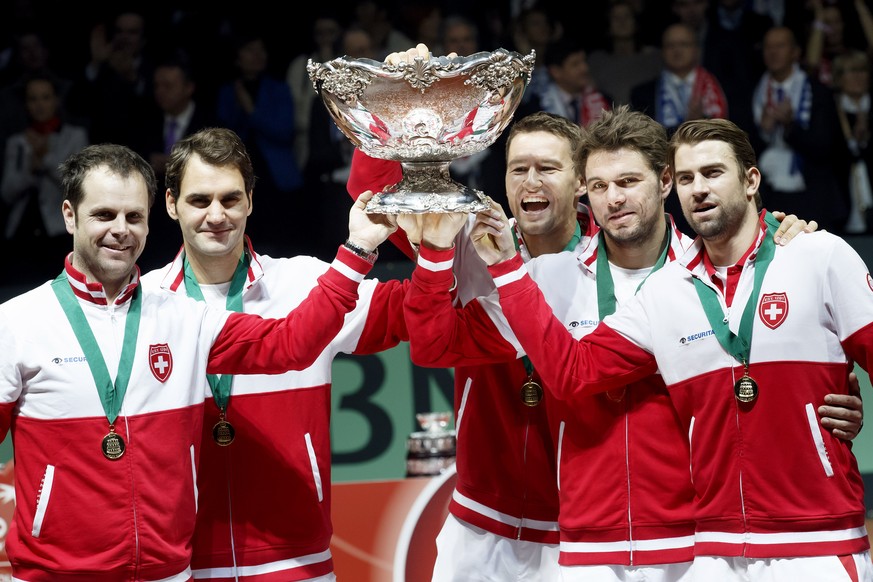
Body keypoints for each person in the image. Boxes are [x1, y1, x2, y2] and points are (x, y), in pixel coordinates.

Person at [404, 105, 865, 581]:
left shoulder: (699, 278)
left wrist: (825, 399)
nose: (613, 199)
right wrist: (443, 252)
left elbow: (770, 365)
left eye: (628, 182)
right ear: (585, 190)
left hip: (695, 545)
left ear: (664, 182)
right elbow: (440, 347)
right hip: (588, 547)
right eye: (600, 186)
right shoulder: (548, 277)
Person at [0, 142, 398, 579]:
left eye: (134, 217)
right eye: (103, 215)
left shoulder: (183, 317)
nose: (121, 229)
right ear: (69, 215)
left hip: (172, 574)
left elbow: (290, 343)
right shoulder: (17, 323)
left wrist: (358, 248)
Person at [139, 126, 430, 581]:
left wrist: (437, 246)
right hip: (182, 564)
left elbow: (412, 311)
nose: (217, 215)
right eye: (200, 201)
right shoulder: (144, 304)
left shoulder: (306, 285)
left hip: (296, 561)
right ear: (172, 203)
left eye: (231, 199)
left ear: (251, 200)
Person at [751, 25, 847, 233]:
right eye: (768, 47)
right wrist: (763, 131)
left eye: (780, 46)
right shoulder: (754, 89)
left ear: (796, 52)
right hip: (770, 191)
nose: (773, 52)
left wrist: (789, 126)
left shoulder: (817, 90)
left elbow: (826, 147)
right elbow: (746, 148)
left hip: (812, 192)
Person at [0, 74, 88, 281]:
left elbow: (78, 186)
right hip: (22, 229)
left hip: (59, 230)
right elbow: (6, 192)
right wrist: (30, 170)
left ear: (56, 101)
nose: (39, 105)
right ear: (26, 104)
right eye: (33, 99)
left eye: (45, 97)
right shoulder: (18, 141)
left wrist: (45, 160)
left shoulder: (75, 136)